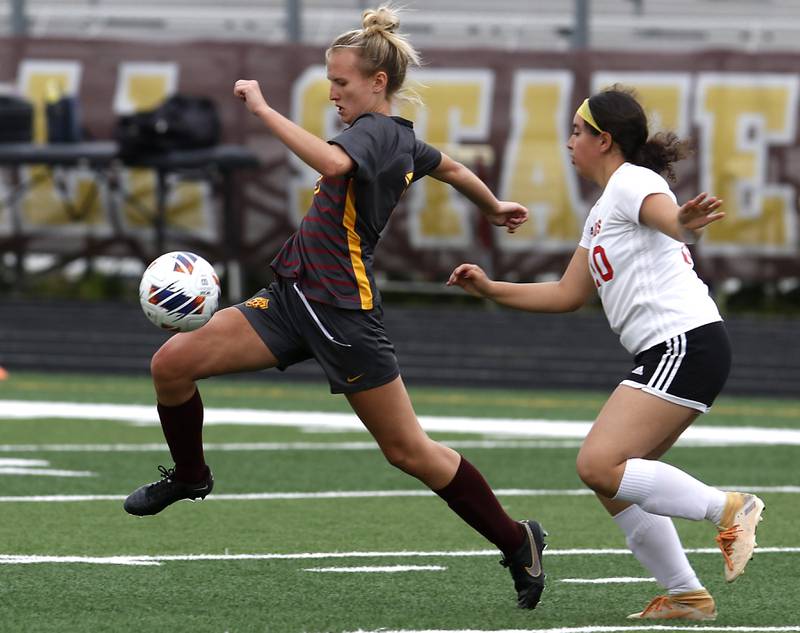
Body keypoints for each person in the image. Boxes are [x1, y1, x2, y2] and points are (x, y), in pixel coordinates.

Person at [123, 5, 546, 611]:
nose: (332, 94)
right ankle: (191, 476)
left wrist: (265, 110)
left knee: (409, 452)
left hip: (342, 311)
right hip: (294, 297)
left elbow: (332, 163)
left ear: (378, 84)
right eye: (329, 83)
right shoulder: (396, 138)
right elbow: (448, 166)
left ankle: (517, 540)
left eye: (341, 83)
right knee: (171, 364)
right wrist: (492, 203)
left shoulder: (373, 133)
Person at [448, 85, 765, 621]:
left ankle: (731, 508)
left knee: (598, 464)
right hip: (680, 348)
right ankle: (685, 593)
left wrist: (682, 224)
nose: (569, 141)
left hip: (682, 343)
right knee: (617, 482)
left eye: (578, 131)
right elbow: (566, 294)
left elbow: (667, 215)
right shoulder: (603, 208)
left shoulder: (632, 181)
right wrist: (491, 289)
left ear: (605, 140)